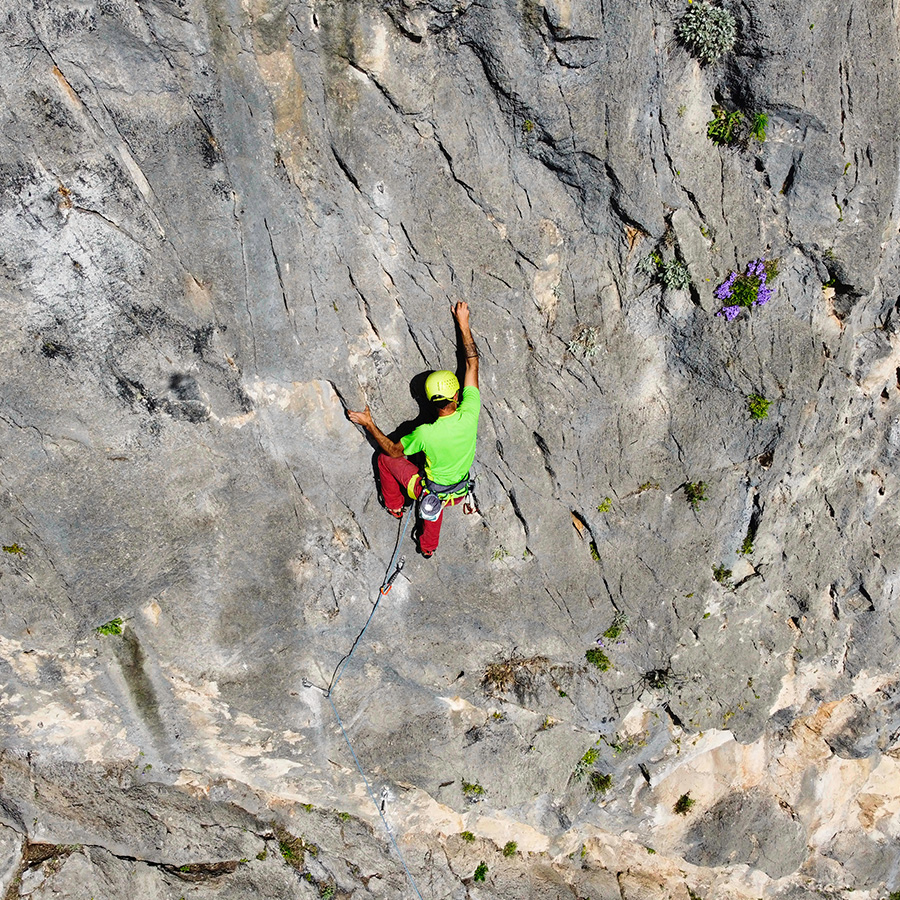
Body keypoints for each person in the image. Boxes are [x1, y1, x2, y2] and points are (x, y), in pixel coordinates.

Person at [347, 301, 480, 558]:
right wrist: (463, 323)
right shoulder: (470, 413)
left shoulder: (425, 434)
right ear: (456, 396)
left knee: (385, 461)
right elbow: (472, 364)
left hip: (431, 492)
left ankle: (396, 506)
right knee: (433, 510)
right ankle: (427, 549)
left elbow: (394, 451)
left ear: (429, 400)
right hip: (459, 491)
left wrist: (369, 424)